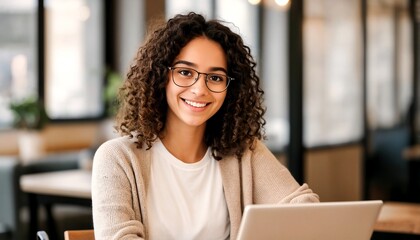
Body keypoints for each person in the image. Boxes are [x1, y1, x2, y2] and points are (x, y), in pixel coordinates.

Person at [92, 12, 319, 240]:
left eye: (216, 77)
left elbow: (304, 211)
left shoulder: (243, 152)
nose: (200, 89)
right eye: (184, 72)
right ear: (161, 76)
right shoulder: (117, 157)